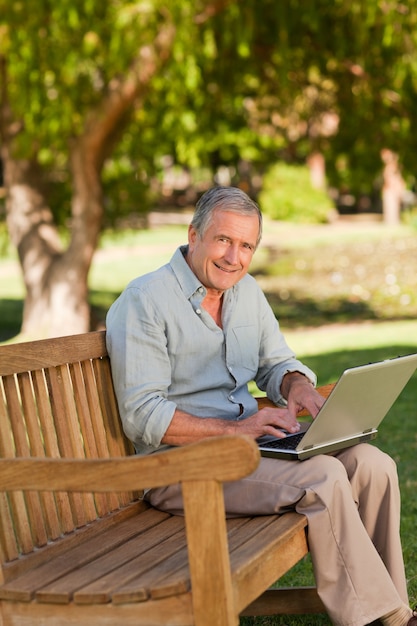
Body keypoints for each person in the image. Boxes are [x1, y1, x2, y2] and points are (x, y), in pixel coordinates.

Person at [106, 185, 416, 626]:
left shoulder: (245, 291)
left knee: (372, 463)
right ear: (194, 235)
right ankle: (386, 620)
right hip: (178, 468)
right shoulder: (145, 301)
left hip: (246, 452)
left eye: (246, 245)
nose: (234, 256)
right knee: (323, 475)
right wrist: (237, 432)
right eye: (223, 240)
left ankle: (393, 609)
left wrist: (295, 386)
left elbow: (276, 363)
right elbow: (143, 415)